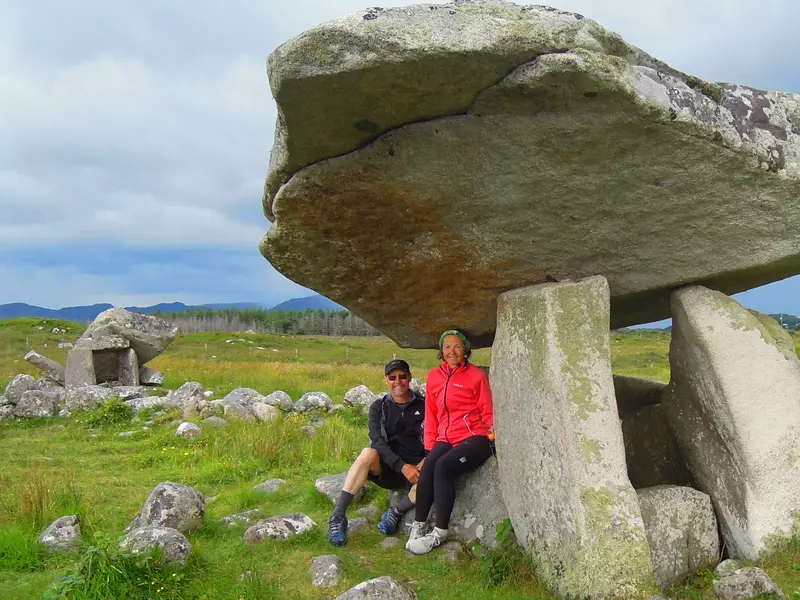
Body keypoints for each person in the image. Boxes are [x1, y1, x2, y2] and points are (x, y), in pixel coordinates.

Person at [405, 329, 494, 555]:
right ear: (441, 351)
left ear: (465, 350)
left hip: (475, 437)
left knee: (444, 466)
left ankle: (440, 532)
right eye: (447, 347)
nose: (451, 351)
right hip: (446, 436)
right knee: (430, 465)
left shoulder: (476, 377)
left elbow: (487, 409)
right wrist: (428, 449)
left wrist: (494, 433)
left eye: (456, 346)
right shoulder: (435, 376)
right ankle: (418, 524)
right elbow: (431, 413)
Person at [328, 359, 426, 546]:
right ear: (386, 380)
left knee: (435, 467)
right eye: (392, 377)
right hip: (389, 468)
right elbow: (378, 441)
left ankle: (395, 512)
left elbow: (436, 436)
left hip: (417, 470)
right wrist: (401, 466)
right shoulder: (378, 407)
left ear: (410, 378)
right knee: (368, 452)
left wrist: (426, 459)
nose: (398, 381)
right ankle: (338, 517)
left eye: (403, 376)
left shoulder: (425, 406)